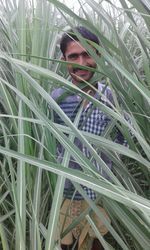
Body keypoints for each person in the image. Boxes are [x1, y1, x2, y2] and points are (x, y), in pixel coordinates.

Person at [52, 26, 123, 250]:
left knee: (97, 242)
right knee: (65, 240)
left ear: (98, 57)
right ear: (64, 59)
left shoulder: (109, 97)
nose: (82, 63)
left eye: (88, 55)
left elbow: (121, 138)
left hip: (100, 189)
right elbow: (54, 142)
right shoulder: (57, 98)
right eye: (74, 56)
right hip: (69, 189)